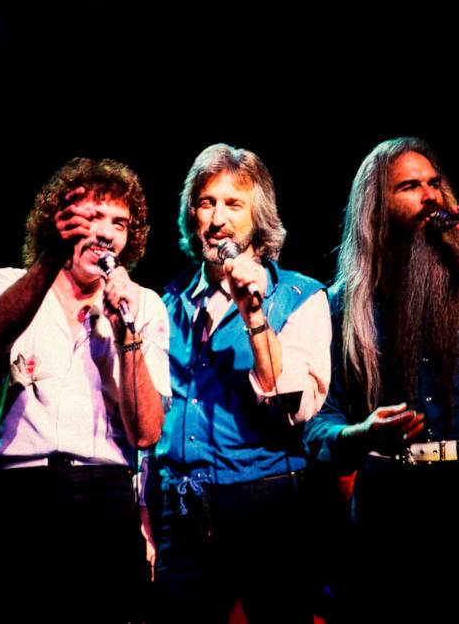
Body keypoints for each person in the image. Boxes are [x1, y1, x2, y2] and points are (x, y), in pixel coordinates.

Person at [302, 137, 459, 616]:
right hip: (393, 500)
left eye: (434, 183)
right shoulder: (343, 304)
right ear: (379, 205)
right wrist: (361, 433)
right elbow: (319, 426)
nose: (430, 196)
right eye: (411, 186)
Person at [146, 143, 331, 623]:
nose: (218, 219)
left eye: (234, 204)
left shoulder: (300, 296)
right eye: (207, 202)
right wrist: (144, 509)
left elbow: (293, 408)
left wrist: (253, 316)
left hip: (267, 506)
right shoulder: (165, 303)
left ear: (258, 217)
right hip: (182, 509)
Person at [0, 157, 168, 619]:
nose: (106, 233)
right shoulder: (8, 283)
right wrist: (49, 256)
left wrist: (126, 332)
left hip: (103, 493)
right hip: (21, 492)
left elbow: (146, 433)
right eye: (93, 217)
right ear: (60, 223)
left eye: (119, 223)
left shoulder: (145, 305)